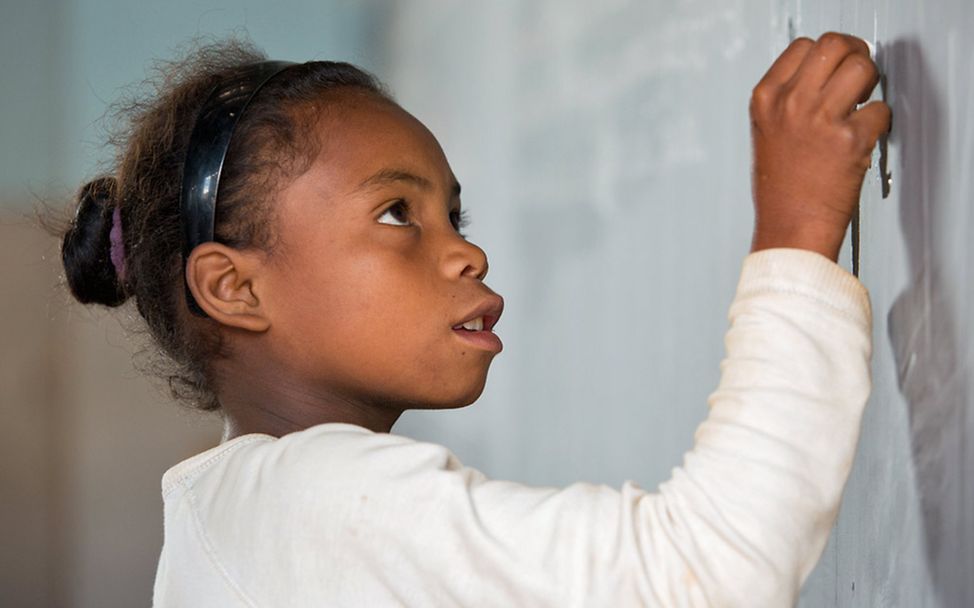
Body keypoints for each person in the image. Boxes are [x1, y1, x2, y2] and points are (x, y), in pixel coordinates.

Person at [56, 31, 890, 607]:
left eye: (457, 216)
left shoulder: (243, 518)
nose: (466, 255)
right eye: (396, 214)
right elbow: (702, 576)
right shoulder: (307, 501)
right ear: (235, 290)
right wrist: (797, 237)